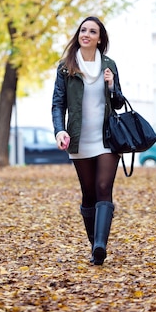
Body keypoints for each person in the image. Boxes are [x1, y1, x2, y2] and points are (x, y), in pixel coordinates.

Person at [52, 17, 125, 265]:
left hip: (107, 138)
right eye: (83, 30)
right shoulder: (66, 67)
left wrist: (112, 85)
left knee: (104, 187)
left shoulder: (109, 65)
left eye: (92, 31)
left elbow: (118, 103)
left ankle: (100, 247)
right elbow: (58, 104)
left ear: (99, 38)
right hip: (80, 139)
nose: (86, 34)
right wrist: (60, 130)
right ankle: (94, 243)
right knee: (89, 193)